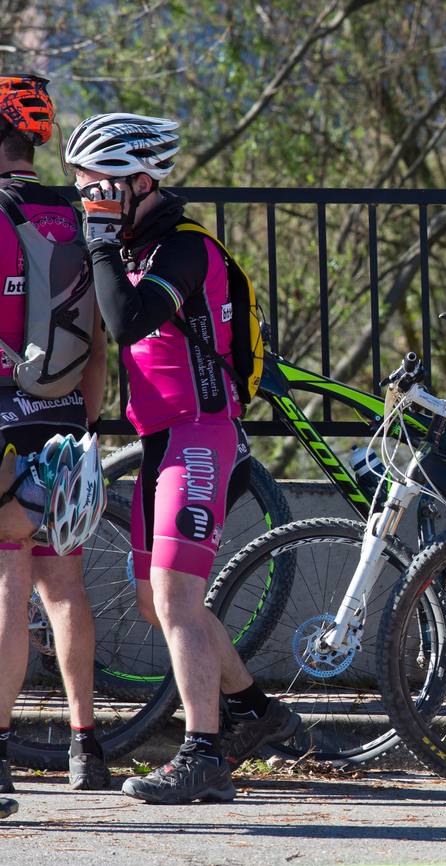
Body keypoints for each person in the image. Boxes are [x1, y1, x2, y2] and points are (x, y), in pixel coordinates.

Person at [65, 113, 299, 804]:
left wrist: (101, 247)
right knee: (152, 600)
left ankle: (204, 757)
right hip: (160, 437)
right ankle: (257, 713)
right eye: (81, 191)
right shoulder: (133, 244)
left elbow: (129, 320)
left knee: (175, 600)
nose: (88, 203)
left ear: (142, 182)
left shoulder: (186, 249)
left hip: (201, 430)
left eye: (98, 189)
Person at [0, 73, 111, 795]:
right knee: (64, 584)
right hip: (67, 418)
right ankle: (86, 745)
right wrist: (88, 416)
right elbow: (100, 333)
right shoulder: (79, 215)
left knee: (8, 579)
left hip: (4, 418)